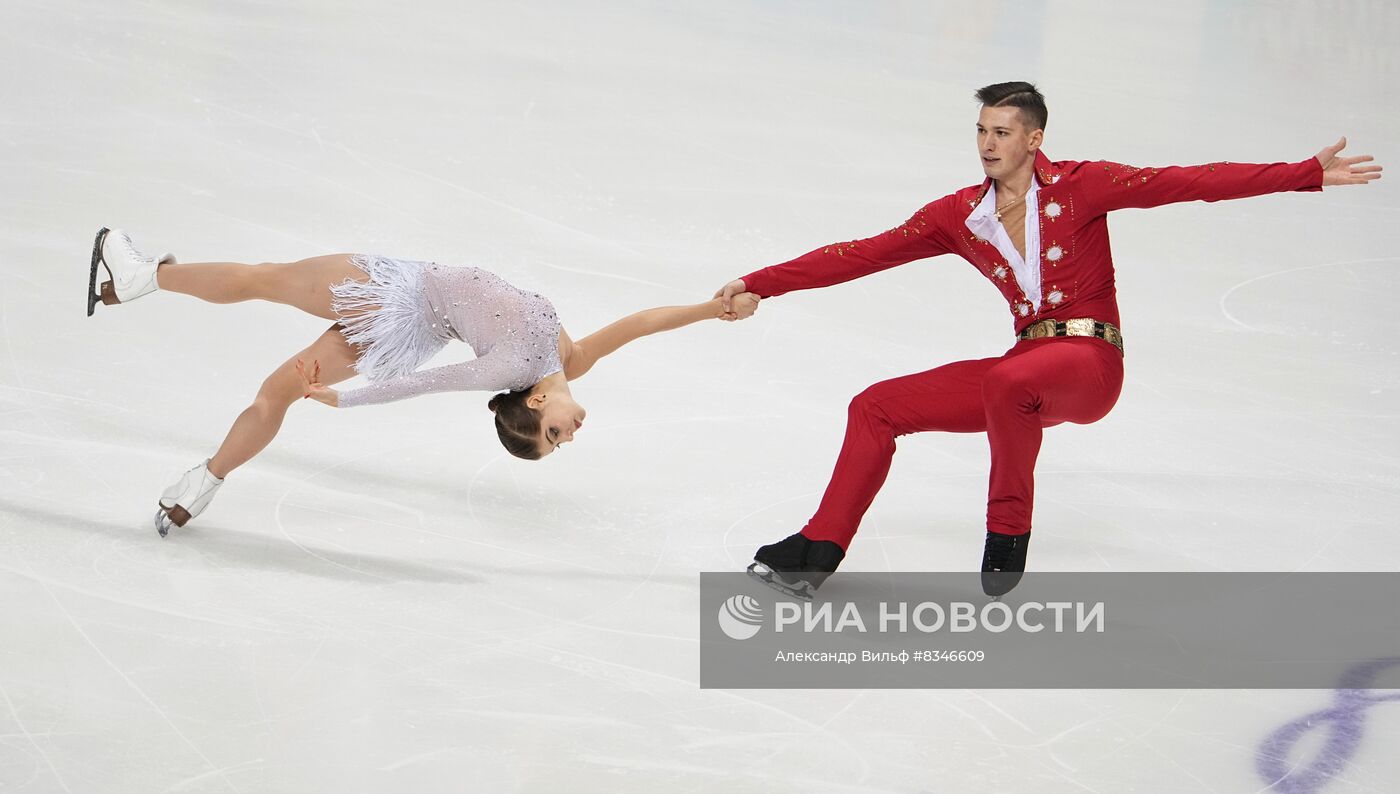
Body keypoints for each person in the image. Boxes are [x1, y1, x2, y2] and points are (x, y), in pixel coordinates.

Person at [713, 81, 1382, 599]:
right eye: (980, 130)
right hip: (1026, 366)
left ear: (1034, 138)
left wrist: (1302, 173)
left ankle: (1007, 532)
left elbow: (1193, 182)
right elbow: (860, 253)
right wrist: (762, 282)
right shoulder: (959, 217)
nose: (986, 143)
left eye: (1002, 132)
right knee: (876, 405)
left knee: (1009, 380)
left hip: (1089, 364)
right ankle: (819, 548)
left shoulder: (1084, 185)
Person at [86, 228, 759, 535]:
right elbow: (641, 323)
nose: (569, 435)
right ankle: (196, 488)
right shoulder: (570, 360)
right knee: (276, 392)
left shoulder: (508, 368)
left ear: (536, 402)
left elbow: (418, 389)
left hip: (394, 293)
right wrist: (710, 309)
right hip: (411, 328)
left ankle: (143, 275)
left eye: (553, 437)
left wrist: (341, 397)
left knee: (267, 278)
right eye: (560, 441)